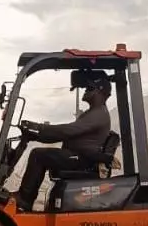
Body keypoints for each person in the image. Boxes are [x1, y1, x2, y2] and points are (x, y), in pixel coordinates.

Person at [15, 73, 112, 212]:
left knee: (38, 155)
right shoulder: (93, 113)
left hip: (80, 159)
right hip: (77, 156)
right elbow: (64, 133)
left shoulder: (98, 114)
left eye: (89, 88)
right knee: (40, 154)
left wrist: (40, 128)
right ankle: (24, 199)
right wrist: (37, 135)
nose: (85, 90)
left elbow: (68, 131)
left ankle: (24, 200)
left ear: (99, 91)